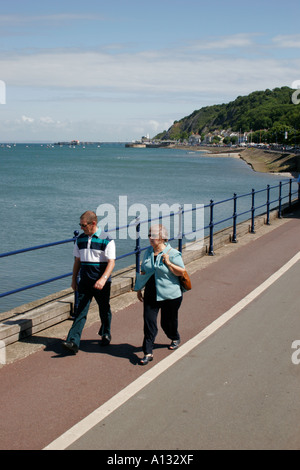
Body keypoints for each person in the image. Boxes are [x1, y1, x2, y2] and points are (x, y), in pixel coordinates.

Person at [62, 211, 116, 354]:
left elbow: (111, 262)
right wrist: (74, 280)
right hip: (85, 281)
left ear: (93, 223)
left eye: (83, 225)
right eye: (80, 225)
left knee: (104, 309)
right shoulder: (80, 239)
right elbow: (77, 261)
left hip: (101, 282)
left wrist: (103, 279)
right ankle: (73, 341)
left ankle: (105, 333)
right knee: (80, 311)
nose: (81, 228)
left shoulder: (107, 240)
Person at [134, 224, 185, 365]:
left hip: (171, 294)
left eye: (154, 235)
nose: (150, 238)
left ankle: (174, 337)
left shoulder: (173, 253)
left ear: (163, 238)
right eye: (149, 234)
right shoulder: (148, 252)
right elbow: (144, 270)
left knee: (167, 323)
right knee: (149, 323)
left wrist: (169, 263)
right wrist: (139, 288)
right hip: (151, 293)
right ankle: (148, 352)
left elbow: (181, 271)